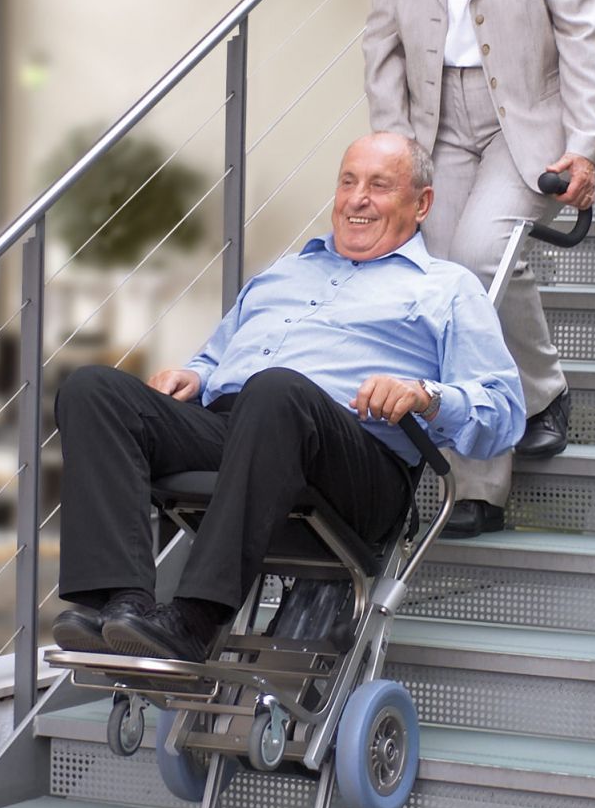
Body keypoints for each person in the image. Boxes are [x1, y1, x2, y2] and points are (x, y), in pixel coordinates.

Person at [51, 131, 525, 662]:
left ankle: (196, 619)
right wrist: (198, 377)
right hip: (246, 428)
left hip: (355, 460)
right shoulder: (284, 272)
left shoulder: (448, 288)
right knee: (93, 389)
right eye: (348, 182)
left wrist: (426, 396)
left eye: (379, 185)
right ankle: (123, 607)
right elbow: (220, 354)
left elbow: (504, 412)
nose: (357, 199)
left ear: (423, 204)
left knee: (277, 390)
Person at [363, 0, 595, 538]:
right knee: (437, 283)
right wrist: (393, 147)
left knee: (478, 258)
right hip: (434, 118)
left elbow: (583, 29)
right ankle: (478, 486)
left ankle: (535, 393)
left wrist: (585, 145)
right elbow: (382, 42)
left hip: (524, 117)